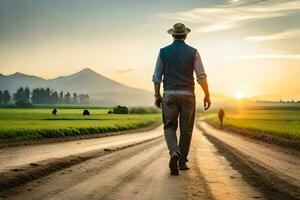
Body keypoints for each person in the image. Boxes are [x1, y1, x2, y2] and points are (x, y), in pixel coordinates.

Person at [152, 23, 211, 175]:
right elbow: (201, 76)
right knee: (186, 129)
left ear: (172, 35)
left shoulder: (163, 52)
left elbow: (157, 77)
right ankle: (183, 161)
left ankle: (174, 152)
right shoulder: (194, 52)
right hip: (188, 95)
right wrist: (207, 94)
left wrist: (157, 95)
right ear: (185, 35)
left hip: (169, 93)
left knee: (169, 127)